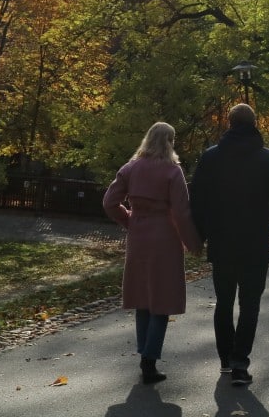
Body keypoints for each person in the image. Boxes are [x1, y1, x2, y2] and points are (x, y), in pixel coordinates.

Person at [190, 103, 269, 387]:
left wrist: (198, 235)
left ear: (229, 123)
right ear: (255, 123)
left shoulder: (211, 158)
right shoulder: (267, 159)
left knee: (223, 302)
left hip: (222, 241)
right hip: (255, 243)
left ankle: (225, 358)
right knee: (250, 304)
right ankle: (239, 362)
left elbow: (197, 198)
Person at [102, 122, 202, 385]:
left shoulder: (130, 168)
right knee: (162, 299)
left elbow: (110, 202)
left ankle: (144, 354)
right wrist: (193, 243)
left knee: (143, 298)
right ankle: (150, 359)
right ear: (169, 142)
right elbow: (181, 212)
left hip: (138, 237)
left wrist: (129, 219)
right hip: (165, 239)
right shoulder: (172, 171)